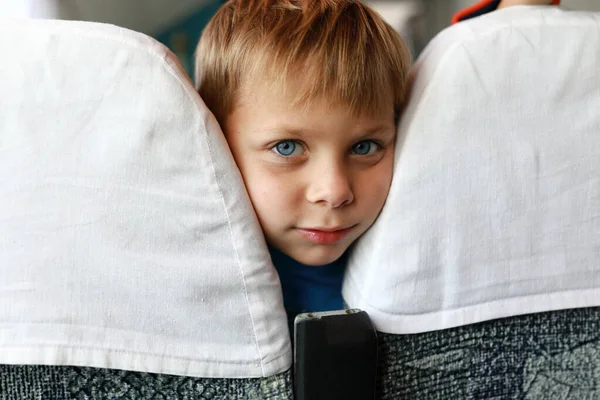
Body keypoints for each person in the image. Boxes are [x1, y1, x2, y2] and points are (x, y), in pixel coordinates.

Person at [194, 0, 559, 329]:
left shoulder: (419, 240)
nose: (335, 192)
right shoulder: (195, 271)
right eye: (287, 148)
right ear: (218, 142)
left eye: (364, 146)